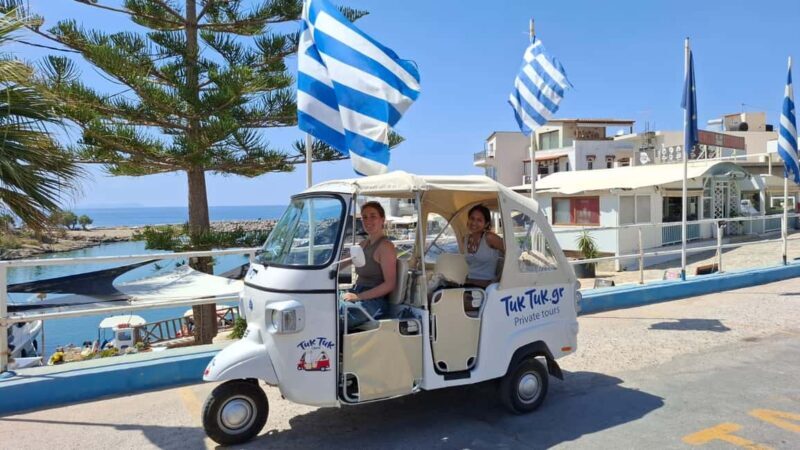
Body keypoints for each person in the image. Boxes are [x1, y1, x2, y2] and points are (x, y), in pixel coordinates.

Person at [341, 201, 397, 330]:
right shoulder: (363, 244)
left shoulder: (385, 247)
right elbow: (341, 262)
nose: (368, 221)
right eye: (364, 217)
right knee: (326, 306)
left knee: (338, 317)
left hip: (375, 300)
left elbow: (390, 284)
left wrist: (358, 297)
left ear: (382, 219)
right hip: (356, 292)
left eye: (373, 216)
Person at [463, 204, 504, 288]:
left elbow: (513, 252)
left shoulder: (489, 237)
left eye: (479, 220)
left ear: (486, 224)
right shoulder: (465, 239)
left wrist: (499, 278)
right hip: (468, 285)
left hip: (485, 288)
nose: (474, 223)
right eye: (472, 218)